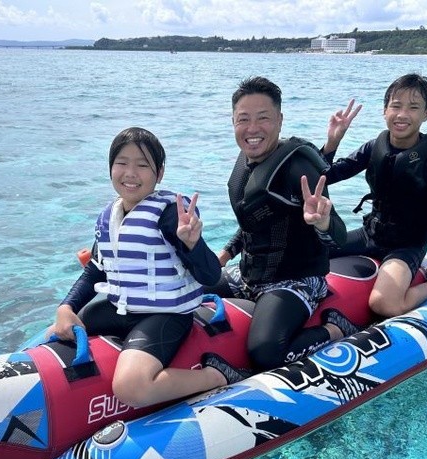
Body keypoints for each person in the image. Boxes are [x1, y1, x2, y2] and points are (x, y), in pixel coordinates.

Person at [51, 127, 241, 408]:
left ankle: (215, 376)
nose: (130, 173)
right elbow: (96, 270)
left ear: (159, 173)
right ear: (111, 168)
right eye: (122, 163)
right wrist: (66, 307)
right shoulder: (109, 217)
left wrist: (193, 244)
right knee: (54, 333)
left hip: (166, 315)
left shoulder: (170, 214)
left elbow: (210, 275)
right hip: (121, 310)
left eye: (142, 165)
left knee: (131, 387)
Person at [204, 76, 363, 373]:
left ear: (279, 120)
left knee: (266, 353)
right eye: (243, 119)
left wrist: (323, 222)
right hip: (249, 276)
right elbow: (255, 222)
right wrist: (225, 254)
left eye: (263, 118)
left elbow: (338, 237)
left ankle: (334, 330)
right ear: (233, 121)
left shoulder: (298, 168)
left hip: (296, 280)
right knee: (190, 284)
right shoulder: (246, 160)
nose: (252, 128)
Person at [324, 73, 427, 327]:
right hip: (370, 235)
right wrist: (332, 142)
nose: (402, 114)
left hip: (406, 246)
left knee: (384, 304)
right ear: (385, 111)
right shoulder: (375, 146)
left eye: (413, 107)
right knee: (306, 253)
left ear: (426, 114)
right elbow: (327, 176)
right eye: (396, 106)